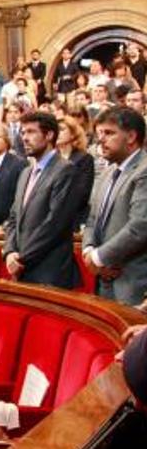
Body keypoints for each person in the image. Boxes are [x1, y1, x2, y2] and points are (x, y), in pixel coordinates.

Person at [3, 112, 81, 289]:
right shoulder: (25, 173)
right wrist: (9, 252)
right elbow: (14, 218)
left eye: (31, 132)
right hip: (23, 269)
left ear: (49, 135)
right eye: (23, 133)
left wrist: (22, 258)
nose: (25, 138)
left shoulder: (65, 170)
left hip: (50, 272)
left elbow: (54, 224)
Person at [81, 107, 147, 306]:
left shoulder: (144, 170)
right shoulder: (108, 172)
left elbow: (140, 226)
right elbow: (92, 219)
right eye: (99, 133)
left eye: (108, 133)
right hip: (104, 281)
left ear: (131, 136)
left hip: (133, 283)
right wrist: (89, 251)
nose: (101, 140)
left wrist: (99, 258)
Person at [56, 116, 95, 229]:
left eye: (62, 129)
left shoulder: (85, 159)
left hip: (74, 219)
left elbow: (82, 193)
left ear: (73, 134)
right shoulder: (51, 158)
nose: (57, 133)